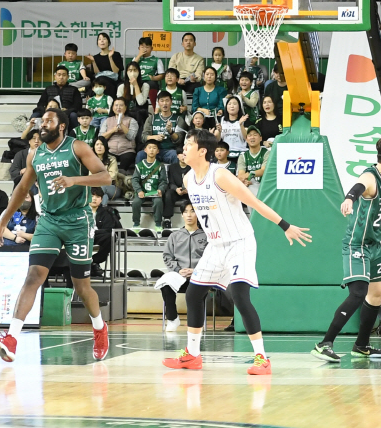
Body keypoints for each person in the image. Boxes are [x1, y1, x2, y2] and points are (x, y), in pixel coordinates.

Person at [162, 129, 311, 375]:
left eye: (189, 144)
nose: (184, 148)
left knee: (239, 297)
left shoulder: (220, 175)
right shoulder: (188, 180)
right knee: (193, 295)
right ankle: (193, 355)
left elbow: (256, 203)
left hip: (239, 242)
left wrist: (285, 226)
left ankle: (262, 358)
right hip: (215, 245)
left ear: (202, 151)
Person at [0, 109, 112, 362]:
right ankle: (11, 338)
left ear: (62, 126)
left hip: (77, 220)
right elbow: (22, 188)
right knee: (33, 276)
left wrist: (74, 180)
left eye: (48, 121)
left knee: (81, 285)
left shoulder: (77, 147)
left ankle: (99, 328)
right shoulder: (36, 153)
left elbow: (105, 176)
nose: (42, 125)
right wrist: (2, 220)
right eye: (42, 121)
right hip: (49, 221)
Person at [312, 136, 381, 361]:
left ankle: (361, 346)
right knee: (357, 293)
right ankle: (324, 343)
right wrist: (349, 199)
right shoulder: (371, 176)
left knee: (377, 294)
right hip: (357, 245)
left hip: (374, 245)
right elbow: (359, 186)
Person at [159, 203, 208, 331]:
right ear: (182, 215)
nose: (189, 215)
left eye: (192, 211)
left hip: (199, 275)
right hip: (179, 275)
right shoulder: (174, 236)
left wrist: (196, 270)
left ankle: (196, 322)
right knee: (165, 284)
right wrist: (178, 270)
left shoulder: (206, 236)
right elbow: (167, 256)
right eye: (186, 212)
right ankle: (172, 319)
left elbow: (210, 258)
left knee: (197, 290)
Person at [131, 140, 167, 227]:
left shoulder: (160, 165)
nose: (151, 150)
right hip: (142, 193)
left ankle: (158, 224)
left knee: (158, 202)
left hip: (154, 192)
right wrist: (139, 191)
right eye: (149, 148)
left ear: (158, 151)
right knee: (135, 202)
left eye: (154, 148)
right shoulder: (139, 165)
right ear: (145, 150)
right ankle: (136, 224)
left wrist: (160, 190)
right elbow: (134, 180)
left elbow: (163, 181)